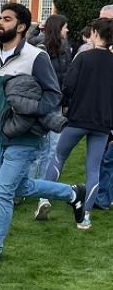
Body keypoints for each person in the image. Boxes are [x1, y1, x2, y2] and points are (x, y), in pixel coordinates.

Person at [0, 2, 87, 263]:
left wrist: (31, 110)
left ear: (21, 26)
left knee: (2, 191)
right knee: (21, 186)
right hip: (2, 133)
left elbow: (53, 94)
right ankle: (73, 194)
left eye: (6, 19)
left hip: (27, 136)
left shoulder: (36, 57)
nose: (0, 23)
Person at [36, 17, 113, 229]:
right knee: (93, 168)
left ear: (95, 33)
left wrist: (66, 104)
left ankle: (44, 198)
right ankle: (85, 215)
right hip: (102, 122)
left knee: (59, 156)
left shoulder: (82, 58)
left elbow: (68, 86)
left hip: (78, 117)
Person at [30, 15, 71, 186]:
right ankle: (29, 183)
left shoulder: (64, 49)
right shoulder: (40, 49)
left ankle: (43, 184)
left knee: (53, 146)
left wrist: (65, 102)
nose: (67, 30)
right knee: (37, 146)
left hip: (56, 103)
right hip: (42, 103)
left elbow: (66, 78)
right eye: (65, 27)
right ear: (57, 28)